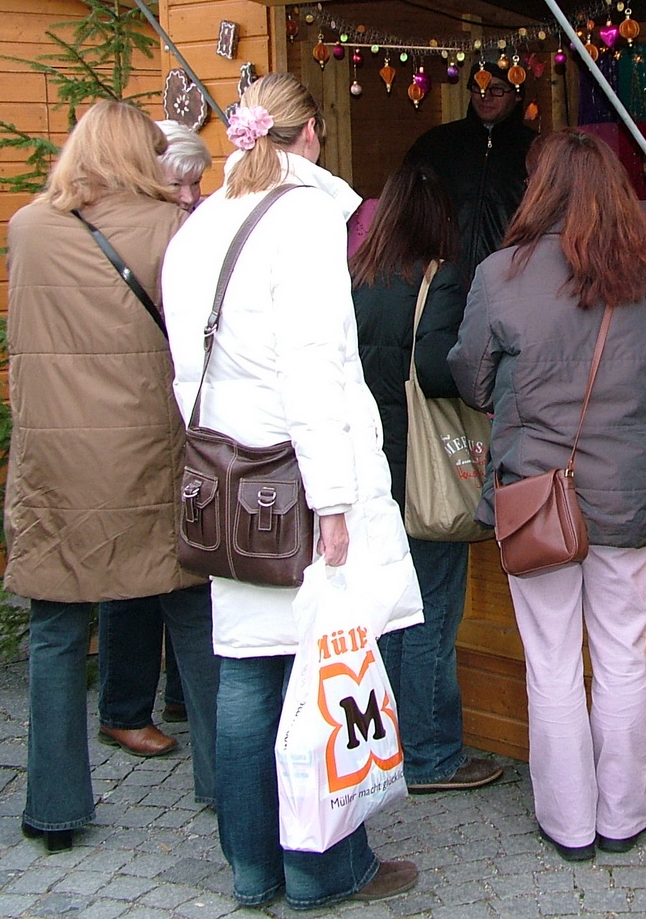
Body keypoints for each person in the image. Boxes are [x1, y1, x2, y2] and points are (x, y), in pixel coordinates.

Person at [162, 73, 423, 909]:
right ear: (309, 133)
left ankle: (252, 870)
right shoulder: (307, 220)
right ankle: (324, 868)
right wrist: (335, 499)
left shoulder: (200, 224)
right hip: (299, 484)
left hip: (227, 481)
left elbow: (183, 368)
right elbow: (313, 367)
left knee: (244, 671)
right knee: (328, 666)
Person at [450, 128, 646, 862]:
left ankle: (569, 824)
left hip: (535, 497)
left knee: (550, 659)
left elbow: (471, 377)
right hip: (624, 491)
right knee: (620, 657)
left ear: (539, 189)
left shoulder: (500, 272)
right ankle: (623, 817)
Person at [2, 100, 220, 854]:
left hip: (53, 463)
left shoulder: (26, 228)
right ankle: (226, 787)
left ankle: (54, 807)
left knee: (57, 632)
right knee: (194, 618)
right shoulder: (171, 229)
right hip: (145, 455)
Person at [350, 158, 504, 796]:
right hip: (424, 473)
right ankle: (433, 755)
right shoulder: (439, 280)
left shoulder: (354, 277)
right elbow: (440, 372)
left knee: (384, 617)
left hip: (368, 469)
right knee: (431, 619)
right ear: (439, 219)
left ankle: (383, 749)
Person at [94, 120, 214, 751]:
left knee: (178, 558)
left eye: (198, 182)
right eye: (180, 183)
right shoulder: (130, 236)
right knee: (135, 571)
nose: (192, 195)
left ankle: (178, 693)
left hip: (175, 414)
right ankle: (123, 705)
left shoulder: (179, 229)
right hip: (134, 417)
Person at [406, 61, 535, 281]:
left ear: (517, 94)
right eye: (478, 87)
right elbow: (408, 211)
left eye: (497, 89)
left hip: (513, 281)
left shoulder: (536, 151)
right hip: (443, 281)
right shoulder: (435, 145)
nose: (485, 96)